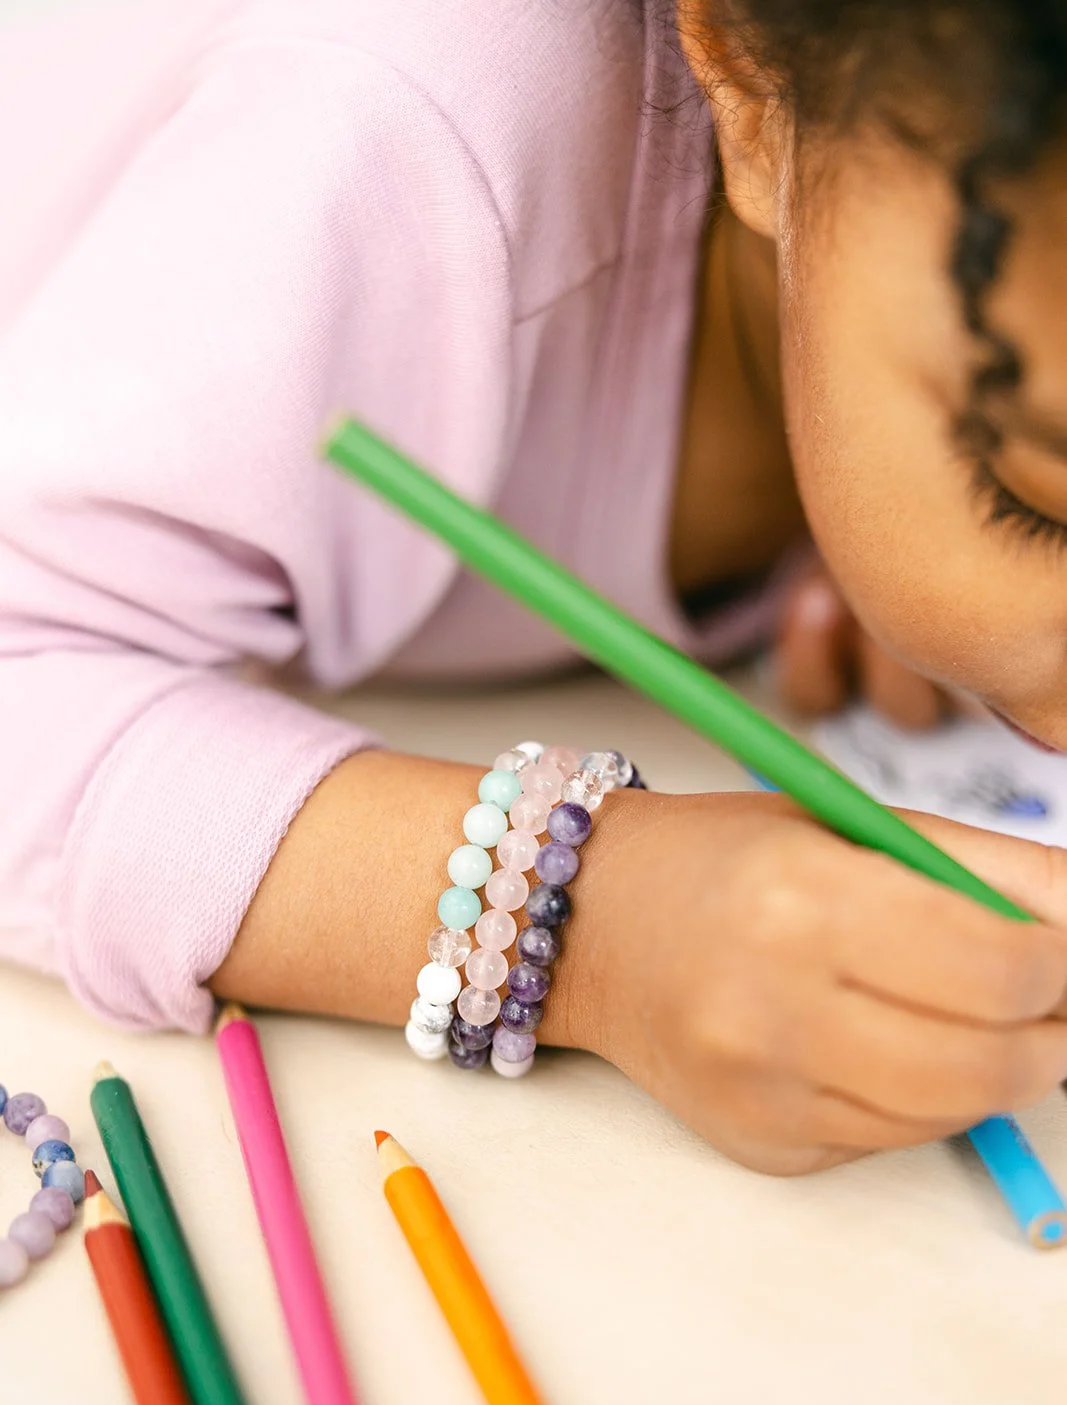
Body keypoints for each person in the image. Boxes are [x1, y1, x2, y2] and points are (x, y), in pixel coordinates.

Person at [2, 0, 1067, 1174]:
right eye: (1033, 497)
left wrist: (875, 555)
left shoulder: (897, 209)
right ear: (755, 89)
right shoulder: (390, 126)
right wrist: (592, 917)